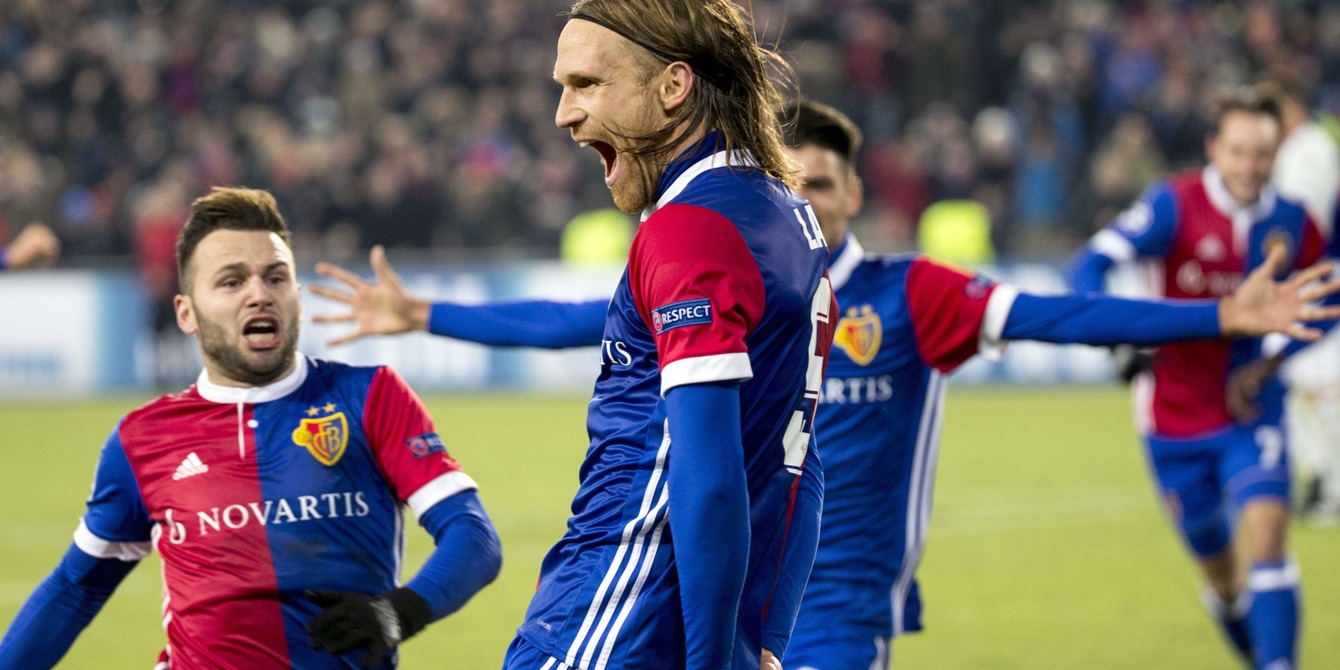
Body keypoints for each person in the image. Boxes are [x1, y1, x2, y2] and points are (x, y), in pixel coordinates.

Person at [312, 98, 1340, 670]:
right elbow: (567, 323)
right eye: (790, 179)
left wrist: (1218, 319)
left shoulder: (909, 294)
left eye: (822, 183)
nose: (804, 196)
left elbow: (1056, 315)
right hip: (716, 594)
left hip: (840, 605)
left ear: (851, 193)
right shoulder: (732, 279)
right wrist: (427, 316)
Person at [0, 187, 502, 670]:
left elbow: (473, 537)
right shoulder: (142, 440)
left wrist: (400, 611)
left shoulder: (370, 397)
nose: (259, 295)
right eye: (232, 282)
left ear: (297, 297)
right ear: (187, 313)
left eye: (276, 278)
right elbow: (76, 587)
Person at [1069, 87, 1330, 670]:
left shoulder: (1293, 220)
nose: (1249, 166)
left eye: (1262, 154)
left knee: (1268, 536)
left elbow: (1328, 294)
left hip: (1251, 409)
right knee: (1221, 574)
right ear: (1214, 147)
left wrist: (1271, 363)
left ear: (1276, 154)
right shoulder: (1172, 205)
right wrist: (1118, 339)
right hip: (1172, 418)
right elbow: (1088, 265)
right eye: (1238, 152)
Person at [1261, 74, 1340, 524]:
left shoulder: (1306, 150)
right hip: (1315, 274)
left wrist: (1274, 263)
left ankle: (1329, 483)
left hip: (1316, 276)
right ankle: (1322, 478)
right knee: (1302, 382)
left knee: (1316, 384)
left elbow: (1304, 223)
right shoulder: (1308, 147)